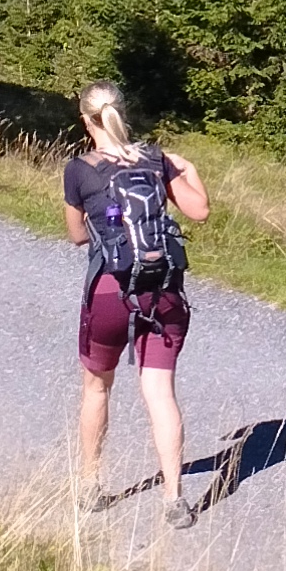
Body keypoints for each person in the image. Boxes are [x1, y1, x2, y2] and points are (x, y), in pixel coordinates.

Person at [65, 83, 210, 529]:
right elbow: (199, 210)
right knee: (160, 392)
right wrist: (187, 167)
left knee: (97, 387)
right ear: (125, 112)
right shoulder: (153, 157)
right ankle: (173, 499)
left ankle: (90, 486)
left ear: (86, 121)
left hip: (110, 292)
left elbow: (76, 235)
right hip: (163, 291)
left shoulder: (78, 169)